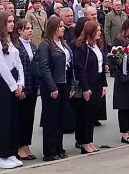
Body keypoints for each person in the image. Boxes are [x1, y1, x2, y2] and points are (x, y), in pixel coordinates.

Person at [0, 12, 24, 169]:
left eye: (13, 21)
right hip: (3, 84)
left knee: (13, 119)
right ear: (2, 23)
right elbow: (2, 67)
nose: (12, 24)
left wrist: (20, 83)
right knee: (4, 119)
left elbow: (19, 64)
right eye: (9, 21)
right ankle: (0, 156)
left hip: (14, 81)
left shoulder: (11, 40)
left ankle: (11, 152)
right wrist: (13, 86)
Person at [38, 16, 74, 161]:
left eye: (63, 26)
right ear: (52, 28)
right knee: (51, 118)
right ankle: (49, 151)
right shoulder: (45, 45)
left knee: (61, 118)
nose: (63, 28)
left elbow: (69, 65)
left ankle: (59, 147)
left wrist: (72, 85)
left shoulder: (63, 44)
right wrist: (52, 86)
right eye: (59, 26)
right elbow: (44, 67)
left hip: (64, 83)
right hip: (52, 85)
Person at [73, 21, 107, 154]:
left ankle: (90, 140)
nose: (99, 32)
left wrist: (104, 84)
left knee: (92, 114)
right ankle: (83, 142)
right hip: (88, 84)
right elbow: (79, 69)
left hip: (98, 82)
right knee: (85, 114)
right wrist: (85, 88)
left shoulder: (97, 46)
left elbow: (102, 67)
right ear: (90, 31)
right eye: (97, 30)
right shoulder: (82, 48)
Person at [13, 19, 39, 162]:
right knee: (21, 118)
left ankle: (26, 145)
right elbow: (18, 68)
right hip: (23, 86)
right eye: (27, 28)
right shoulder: (16, 46)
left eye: (31, 28)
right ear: (19, 31)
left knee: (29, 118)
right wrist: (20, 87)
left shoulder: (33, 46)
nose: (30, 30)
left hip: (33, 85)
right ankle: (19, 146)